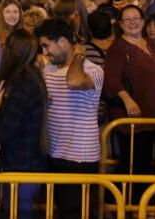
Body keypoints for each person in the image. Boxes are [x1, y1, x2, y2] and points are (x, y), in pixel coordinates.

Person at [36, 18, 104, 219]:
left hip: (80, 156)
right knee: (59, 210)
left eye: (46, 45)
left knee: (75, 212)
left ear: (64, 42)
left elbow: (74, 81)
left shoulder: (92, 70)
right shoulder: (48, 69)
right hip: (54, 152)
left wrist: (79, 56)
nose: (45, 52)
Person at [103, 4, 155, 190]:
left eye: (137, 18)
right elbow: (110, 79)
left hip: (154, 116)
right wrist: (127, 99)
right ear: (119, 23)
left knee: (147, 164)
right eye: (128, 19)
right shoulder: (118, 48)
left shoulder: (149, 42)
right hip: (134, 117)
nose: (133, 22)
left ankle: (140, 205)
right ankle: (117, 203)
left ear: (143, 21)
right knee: (133, 164)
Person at [0, 29, 47, 219]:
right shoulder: (32, 79)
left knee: (17, 212)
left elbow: (3, 132)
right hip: (25, 162)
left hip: (22, 165)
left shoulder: (23, 85)